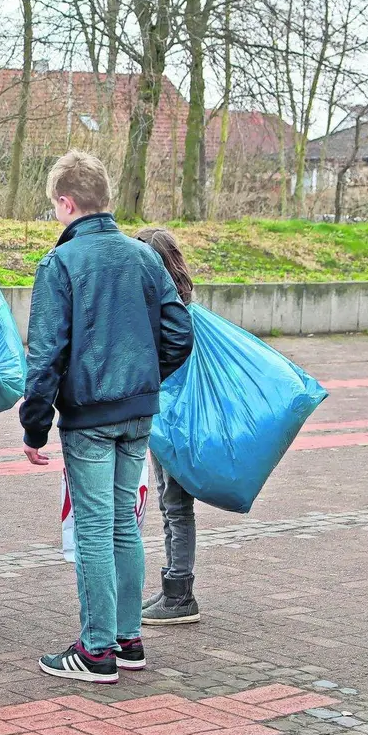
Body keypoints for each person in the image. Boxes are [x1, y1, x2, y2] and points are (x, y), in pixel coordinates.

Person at [21, 150, 193, 684]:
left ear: (66, 203)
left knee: (94, 528)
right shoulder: (144, 258)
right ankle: (127, 638)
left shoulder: (61, 264)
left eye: (55, 205)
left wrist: (34, 425)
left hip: (89, 413)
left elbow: (45, 353)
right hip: (138, 411)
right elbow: (179, 334)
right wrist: (145, 377)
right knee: (125, 524)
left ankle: (96, 650)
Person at [136, 227, 202, 625]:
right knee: (172, 503)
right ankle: (174, 587)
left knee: (175, 505)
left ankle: (180, 594)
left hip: (173, 418)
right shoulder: (186, 302)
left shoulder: (163, 307)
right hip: (179, 417)